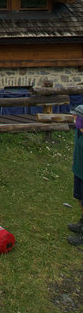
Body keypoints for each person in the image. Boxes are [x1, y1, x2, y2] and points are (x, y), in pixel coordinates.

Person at [67, 103, 83, 247]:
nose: (74, 118)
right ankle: (82, 222)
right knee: (79, 198)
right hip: (78, 170)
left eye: (76, 117)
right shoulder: (78, 131)